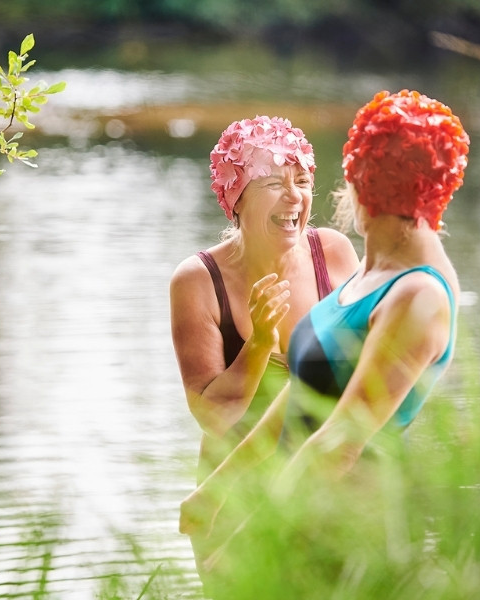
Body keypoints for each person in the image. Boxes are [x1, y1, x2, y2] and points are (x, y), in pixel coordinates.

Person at [178, 90, 470, 583]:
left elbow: (340, 441)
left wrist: (250, 532)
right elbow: (306, 388)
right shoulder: (369, 272)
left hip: (339, 529)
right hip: (290, 508)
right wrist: (219, 488)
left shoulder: (417, 293)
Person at [169, 115, 360, 578]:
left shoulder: (332, 254)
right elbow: (213, 417)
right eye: (274, 183)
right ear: (237, 197)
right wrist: (259, 344)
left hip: (330, 485)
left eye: (302, 180)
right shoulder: (197, 281)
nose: (294, 196)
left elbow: (362, 383)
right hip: (234, 496)